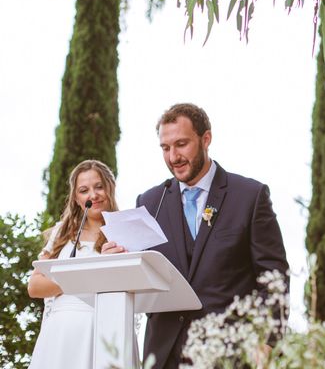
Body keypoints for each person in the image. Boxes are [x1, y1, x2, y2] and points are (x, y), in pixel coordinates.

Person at [102, 103, 289, 368]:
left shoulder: (250, 195)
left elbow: (274, 277)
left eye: (181, 144)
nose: (173, 157)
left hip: (233, 351)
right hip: (165, 354)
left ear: (206, 139)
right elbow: (143, 278)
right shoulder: (149, 201)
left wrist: (266, 341)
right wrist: (118, 262)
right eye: (165, 148)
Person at [28, 160, 119, 369]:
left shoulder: (124, 230)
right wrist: (81, 278)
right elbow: (35, 287)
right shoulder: (62, 233)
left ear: (110, 187)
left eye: (99, 187)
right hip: (60, 333)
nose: (93, 196)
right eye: (84, 190)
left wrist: (66, 279)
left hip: (103, 330)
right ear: (77, 198)